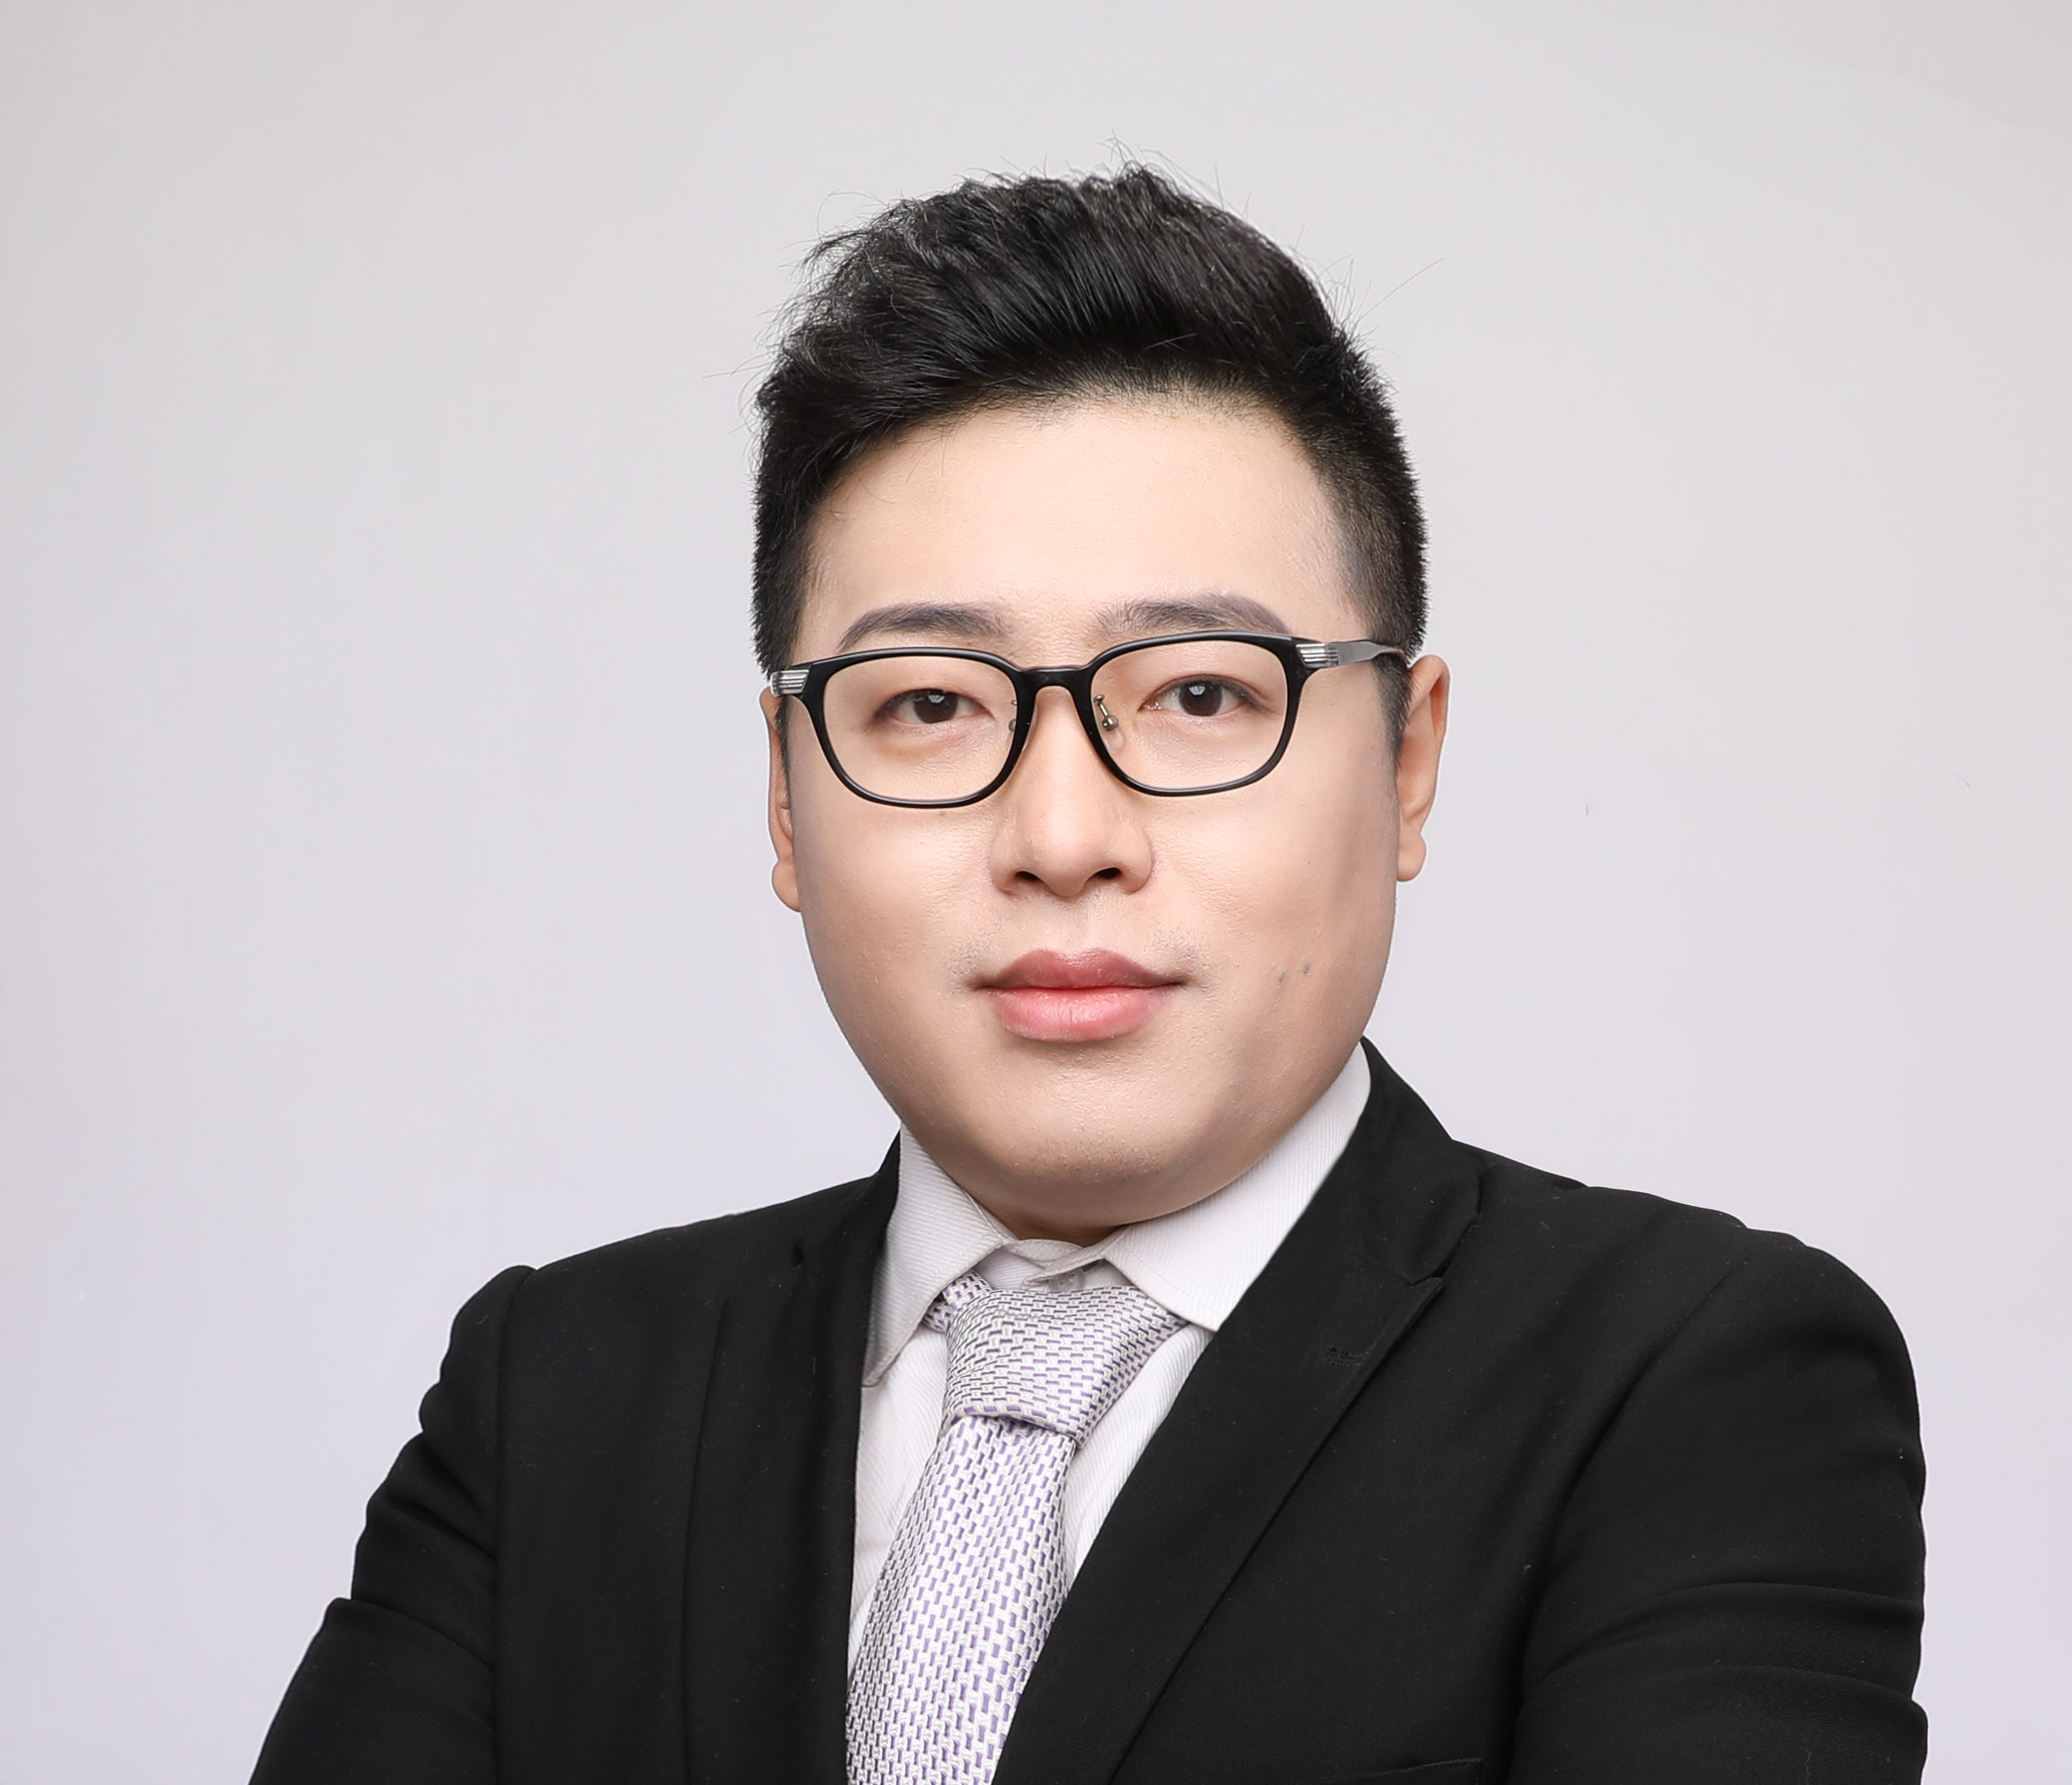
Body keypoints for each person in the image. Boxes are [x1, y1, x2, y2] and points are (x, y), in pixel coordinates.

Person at [251, 167, 1926, 1785]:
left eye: (1200, 694)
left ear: (1406, 764)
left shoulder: (1691, 1381)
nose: (1063, 835)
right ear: (783, 794)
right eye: (929, 702)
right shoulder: (558, 1389)